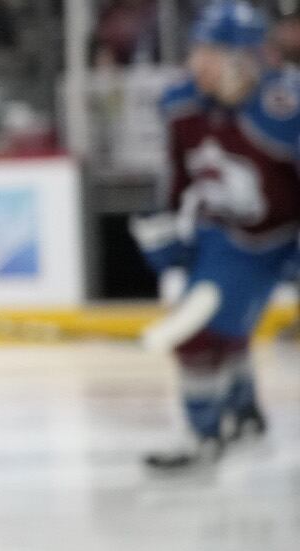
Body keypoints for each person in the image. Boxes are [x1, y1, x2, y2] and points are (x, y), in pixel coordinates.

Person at [130, 2, 291, 469]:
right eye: (198, 50)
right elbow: (173, 178)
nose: (197, 62)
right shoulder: (182, 103)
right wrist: (163, 230)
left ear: (247, 58)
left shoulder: (285, 106)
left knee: (222, 325)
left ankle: (242, 412)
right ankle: (208, 432)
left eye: (212, 52)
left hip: (283, 234)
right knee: (201, 336)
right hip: (226, 234)